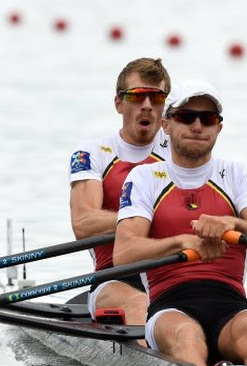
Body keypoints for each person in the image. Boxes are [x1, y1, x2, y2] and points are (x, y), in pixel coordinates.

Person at [113, 80, 247, 366]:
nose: (197, 125)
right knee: (186, 336)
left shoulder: (237, 174)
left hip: (232, 306)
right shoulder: (144, 178)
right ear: (166, 125)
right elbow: (124, 254)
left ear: (219, 127)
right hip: (169, 308)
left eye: (208, 119)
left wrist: (233, 223)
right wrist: (181, 243)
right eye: (186, 116)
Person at [69, 58, 171, 325]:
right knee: (143, 304)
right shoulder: (92, 154)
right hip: (116, 276)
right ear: (118, 103)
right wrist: (157, 220)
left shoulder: (183, 152)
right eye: (137, 96)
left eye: (156, 97)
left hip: (175, 273)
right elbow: (84, 224)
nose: (147, 105)